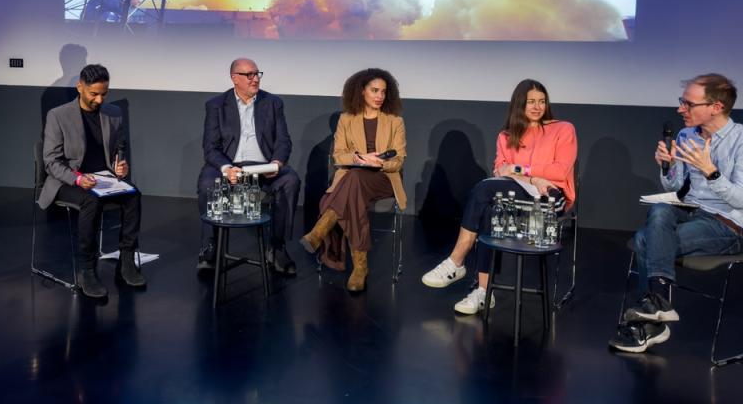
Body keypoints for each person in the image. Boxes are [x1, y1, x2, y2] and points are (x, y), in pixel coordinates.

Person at [610, 74, 743, 353]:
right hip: (690, 210)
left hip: (726, 223)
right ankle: (658, 304)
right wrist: (667, 166)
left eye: (688, 103)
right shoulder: (686, 135)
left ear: (716, 107)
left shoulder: (741, 141)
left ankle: (652, 316)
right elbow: (675, 186)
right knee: (660, 208)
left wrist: (712, 172)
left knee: (645, 240)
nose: (680, 109)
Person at [421, 79, 577, 314]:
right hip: (517, 193)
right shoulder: (507, 135)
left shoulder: (563, 129)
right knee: (491, 209)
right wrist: (532, 177)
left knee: (484, 189)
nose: (537, 107)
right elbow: (498, 171)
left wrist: (519, 170)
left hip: (550, 197)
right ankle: (485, 291)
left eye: (541, 101)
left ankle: (456, 260)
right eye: (530, 102)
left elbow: (558, 171)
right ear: (519, 104)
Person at [39, 64, 145, 299]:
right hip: (67, 181)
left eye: (104, 94)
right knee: (91, 202)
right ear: (80, 87)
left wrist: (120, 164)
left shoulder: (113, 113)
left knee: (133, 195)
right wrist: (77, 179)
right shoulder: (58, 116)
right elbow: (51, 162)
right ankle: (87, 269)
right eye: (93, 94)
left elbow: (118, 147)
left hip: (103, 178)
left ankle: (126, 260)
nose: (99, 99)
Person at [299, 68, 407, 293]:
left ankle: (320, 230)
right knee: (355, 182)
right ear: (361, 92)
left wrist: (379, 162)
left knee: (353, 182)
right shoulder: (346, 120)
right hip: (354, 177)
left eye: (383, 92)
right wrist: (360, 159)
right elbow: (338, 156)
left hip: (383, 179)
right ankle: (360, 268)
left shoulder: (395, 121)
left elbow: (398, 160)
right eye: (374, 90)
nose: (379, 96)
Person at [197, 58, 301, 276]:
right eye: (249, 75)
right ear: (235, 78)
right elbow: (210, 147)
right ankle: (210, 248)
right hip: (228, 164)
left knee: (290, 180)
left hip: (262, 165)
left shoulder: (273, 103)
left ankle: (277, 247)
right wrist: (226, 168)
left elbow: (283, 141)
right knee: (207, 183)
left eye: (257, 74)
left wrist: (277, 163)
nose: (255, 79)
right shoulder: (216, 105)